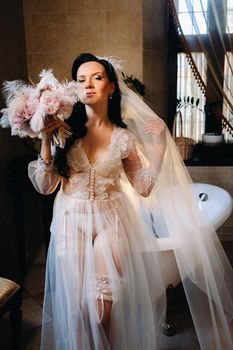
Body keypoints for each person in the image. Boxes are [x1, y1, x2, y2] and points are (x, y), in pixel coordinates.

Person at [28, 53, 233, 350]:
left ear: (111, 87)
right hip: (71, 221)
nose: (88, 85)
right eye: (81, 79)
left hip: (112, 220)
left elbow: (143, 188)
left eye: (96, 78)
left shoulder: (123, 138)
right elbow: (46, 187)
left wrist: (161, 147)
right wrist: (46, 140)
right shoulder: (64, 131)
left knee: (99, 312)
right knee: (79, 312)